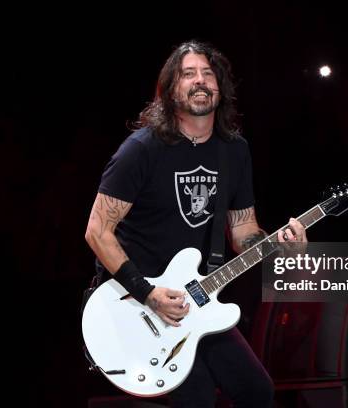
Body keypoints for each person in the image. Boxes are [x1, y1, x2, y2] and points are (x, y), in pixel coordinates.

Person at [84, 40, 307, 408]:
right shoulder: (142, 149)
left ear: (220, 87)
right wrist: (148, 294)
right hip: (138, 304)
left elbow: (243, 231)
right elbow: (97, 231)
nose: (200, 81)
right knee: (197, 397)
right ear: (172, 89)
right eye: (188, 74)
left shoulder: (233, 150)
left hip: (197, 300)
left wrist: (275, 245)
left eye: (208, 73)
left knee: (257, 391)